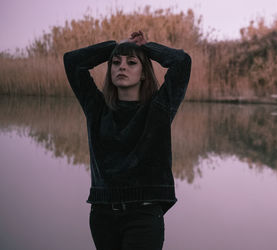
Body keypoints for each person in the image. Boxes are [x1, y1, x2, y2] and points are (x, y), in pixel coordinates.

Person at [63, 30, 191, 250]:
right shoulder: (97, 108)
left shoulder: (158, 109)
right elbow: (72, 62)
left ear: (143, 73)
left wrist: (146, 47)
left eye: (131, 63)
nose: (121, 67)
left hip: (144, 216)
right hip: (103, 215)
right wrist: (116, 46)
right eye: (115, 63)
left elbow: (181, 62)